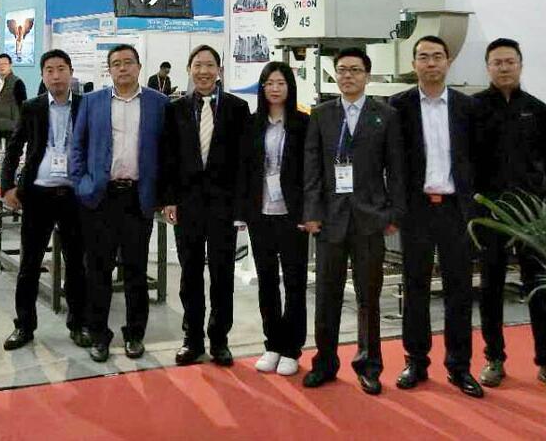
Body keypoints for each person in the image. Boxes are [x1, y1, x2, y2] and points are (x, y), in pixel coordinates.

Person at [302, 47, 406, 396]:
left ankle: (369, 365)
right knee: (326, 296)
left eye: (355, 70)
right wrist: (311, 212)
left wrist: (393, 214)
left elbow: (396, 169)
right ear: (335, 75)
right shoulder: (321, 114)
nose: (348, 76)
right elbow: (312, 168)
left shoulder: (385, 116)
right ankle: (325, 362)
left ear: (367, 75)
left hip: (369, 219)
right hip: (329, 219)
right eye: (342, 70)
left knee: (368, 298)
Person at [472, 38, 546, 394]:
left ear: (520, 65)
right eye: (497, 62)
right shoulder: (473, 108)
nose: (503, 68)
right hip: (490, 213)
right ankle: (494, 358)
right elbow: (465, 160)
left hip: (531, 214)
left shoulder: (537, 110)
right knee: (491, 287)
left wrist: (533, 189)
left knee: (538, 287)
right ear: (488, 67)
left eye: (509, 61)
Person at [388, 36, 484, 398]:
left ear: (448, 62)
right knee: (415, 287)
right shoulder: (398, 106)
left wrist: (475, 209)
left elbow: (478, 160)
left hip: (456, 211)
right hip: (417, 211)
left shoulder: (467, 107)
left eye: (437, 57)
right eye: (424, 57)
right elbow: (391, 163)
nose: (431, 63)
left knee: (459, 289)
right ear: (413, 63)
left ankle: (459, 367)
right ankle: (416, 361)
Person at [70, 44, 169, 362]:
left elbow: (168, 151)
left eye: (128, 62)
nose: (123, 68)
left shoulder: (158, 103)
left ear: (139, 67)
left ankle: (135, 334)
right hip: (101, 198)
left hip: (138, 199)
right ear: (109, 69)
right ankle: (99, 335)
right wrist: (82, 185)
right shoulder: (92, 102)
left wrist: (162, 195)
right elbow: (77, 147)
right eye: (116, 63)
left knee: (135, 270)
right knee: (98, 270)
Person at [159, 45, 250, 367]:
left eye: (210, 65)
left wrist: (241, 208)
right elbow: (168, 158)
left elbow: (244, 162)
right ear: (189, 69)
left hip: (224, 207)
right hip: (188, 206)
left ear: (219, 70)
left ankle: (220, 340)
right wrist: (169, 199)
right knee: (190, 275)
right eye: (198, 65)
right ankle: (192, 339)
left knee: (223, 275)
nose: (204, 71)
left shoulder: (238, 109)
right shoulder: (176, 109)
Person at [0, 50, 89, 351]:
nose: (56, 75)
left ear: (71, 72)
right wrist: (7, 187)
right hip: (38, 195)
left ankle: (78, 324)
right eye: (49, 70)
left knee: (77, 264)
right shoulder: (32, 107)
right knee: (29, 264)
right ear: (42, 75)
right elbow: (14, 149)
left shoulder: (86, 106)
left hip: (74, 195)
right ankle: (24, 326)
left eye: (61, 69)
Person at [242, 61, 310, 377]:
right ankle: (272, 344)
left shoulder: (303, 123)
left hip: (292, 216)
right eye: (269, 83)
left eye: (280, 83)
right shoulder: (252, 123)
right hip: (262, 215)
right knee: (267, 282)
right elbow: (244, 171)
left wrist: (309, 212)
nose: (274, 88)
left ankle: (292, 348)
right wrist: (243, 213)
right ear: (262, 88)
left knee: (295, 283)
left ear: (289, 87)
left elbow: (311, 173)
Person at [0, 53, 28, 150]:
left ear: (10, 65)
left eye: (5, 64)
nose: (2, 66)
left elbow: (23, 106)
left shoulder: (17, 83)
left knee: (10, 155)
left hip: (10, 128)